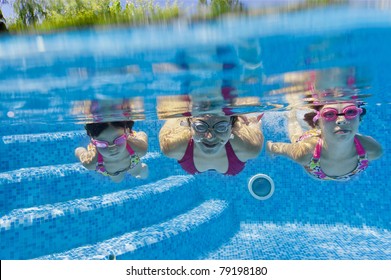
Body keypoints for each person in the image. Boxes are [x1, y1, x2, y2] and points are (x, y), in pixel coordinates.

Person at [266, 101, 383, 181]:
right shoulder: (305, 152)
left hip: (327, 135)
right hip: (316, 158)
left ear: (359, 119)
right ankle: (291, 115)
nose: (341, 120)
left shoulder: (373, 149)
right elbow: (274, 146)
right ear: (318, 122)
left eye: (350, 112)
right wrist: (271, 148)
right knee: (296, 137)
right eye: (329, 114)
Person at [159, 114, 264, 175]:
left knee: (245, 120)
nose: (210, 137)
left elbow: (255, 123)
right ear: (190, 124)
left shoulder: (249, 146)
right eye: (200, 126)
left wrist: (252, 123)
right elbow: (173, 117)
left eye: (221, 127)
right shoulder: (171, 145)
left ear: (232, 127)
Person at [75, 121, 148, 183]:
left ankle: (142, 170)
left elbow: (142, 134)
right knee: (118, 180)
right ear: (93, 141)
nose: (112, 148)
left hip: (133, 162)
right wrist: (79, 150)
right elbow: (78, 151)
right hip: (113, 173)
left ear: (126, 134)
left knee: (137, 172)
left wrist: (134, 137)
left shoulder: (139, 148)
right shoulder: (91, 162)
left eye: (119, 140)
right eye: (102, 144)